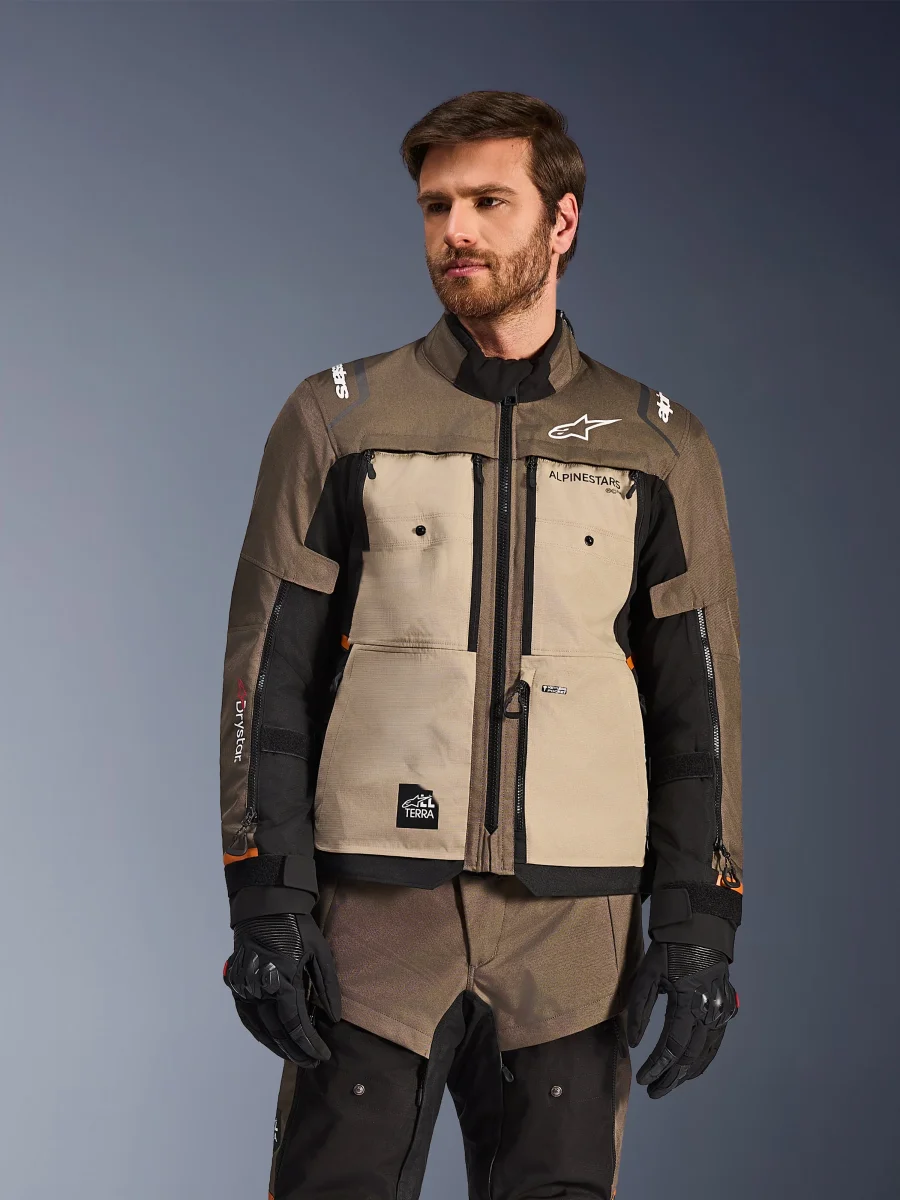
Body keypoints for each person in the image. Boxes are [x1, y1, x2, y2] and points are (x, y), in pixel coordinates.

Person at [219, 90, 742, 1200]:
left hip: (575, 937)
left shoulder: (659, 446)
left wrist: (699, 924)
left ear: (562, 222)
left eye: (488, 202)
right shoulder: (337, 420)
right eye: (435, 206)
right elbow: (268, 675)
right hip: (374, 924)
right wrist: (265, 898)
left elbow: (699, 707)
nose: (454, 230)